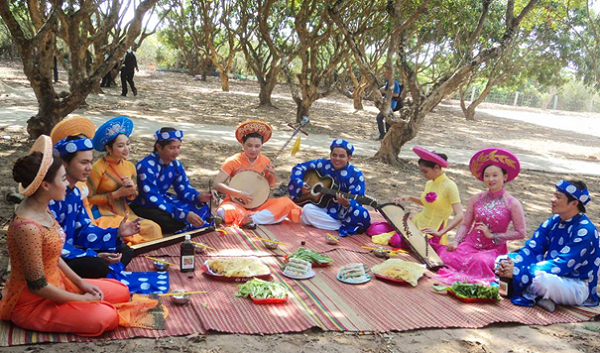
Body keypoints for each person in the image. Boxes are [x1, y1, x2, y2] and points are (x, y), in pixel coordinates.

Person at [0, 135, 130, 336]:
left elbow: (56, 257)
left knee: (121, 291)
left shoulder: (43, 208)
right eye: (62, 178)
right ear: (45, 185)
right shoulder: (27, 227)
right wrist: (82, 299)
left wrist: (81, 283)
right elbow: (37, 286)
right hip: (33, 303)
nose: (67, 183)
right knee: (107, 317)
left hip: (59, 282)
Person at [48, 116, 140, 279]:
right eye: (84, 162)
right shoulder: (51, 196)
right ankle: (107, 274)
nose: (89, 168)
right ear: (64, 163)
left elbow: (83, 229)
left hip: (75, 249)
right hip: (57, 259)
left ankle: (108, 272)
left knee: (125, 250)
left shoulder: (74, 193)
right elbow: (51, 247)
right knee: (96, 265)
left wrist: (117, 232)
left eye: (90, 162)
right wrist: (92, 255)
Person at [496, 180, 599, 312]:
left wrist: (519, 271)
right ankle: (538, 296)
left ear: (574, 203)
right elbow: (532, 249)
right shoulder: (553, 221)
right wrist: (513, 264)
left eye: (558, 197)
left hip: (575, 284)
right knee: (501, 261)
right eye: (553, 195)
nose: (552, 200)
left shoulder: (586, 231)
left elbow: (562, 264)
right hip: (550, 272)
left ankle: (533, 293)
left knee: (542, 281)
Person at [434, 148, 526, 285]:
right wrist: (456, 241)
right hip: (470, 244)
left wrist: (493, 236)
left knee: (480, 261)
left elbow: (521, 233)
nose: (490, 179)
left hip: (493, 249)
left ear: (505, 177)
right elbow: (466, 224)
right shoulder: (476, 198)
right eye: (487, 176)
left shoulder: (512, 203)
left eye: (495, 175)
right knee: (446, 255)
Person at [87, 116, 162, 244]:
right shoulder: (97, 168)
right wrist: (116, 194)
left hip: (124, 212)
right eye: (121, 146)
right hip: (102, 214)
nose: (126, 149)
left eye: (128, 144)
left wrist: (131, 190)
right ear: (109, 149)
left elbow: (134, 196)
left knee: (154, 228)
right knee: (125, 235)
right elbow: (88, 199)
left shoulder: (129, 166)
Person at [213, 120, 302, 227]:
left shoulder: (266, 161)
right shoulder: (233, 161)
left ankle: (250, 218)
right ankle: (253, 218)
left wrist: (271, 174)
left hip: (259, 204)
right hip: (235, 202)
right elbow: (217, 184)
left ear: (262, 146)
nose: (253, 149)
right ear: (243, 144)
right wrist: (239, 193)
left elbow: (271, 184)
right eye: (249, 145)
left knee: (286, 203)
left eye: (257, 146)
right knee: (223, 211)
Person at [130, 127, 212, 234]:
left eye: (178, 147)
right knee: (170, 221)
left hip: (163, 200)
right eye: (172, 148)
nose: (176, 151)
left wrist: (199, 196)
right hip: (145, 205)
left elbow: (183, 188)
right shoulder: (146, 166)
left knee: (200, 206)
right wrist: (182, 214)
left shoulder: (175, 164)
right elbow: (152, 198)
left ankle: (187, 222)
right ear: (159, 147)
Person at [288, 139, 371, 237]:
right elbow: (299, 168)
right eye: (334, 155)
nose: (337, 159)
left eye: (342, 156)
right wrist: (301, 184)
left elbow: (358, 198)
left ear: (349, 158)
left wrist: (346, 203)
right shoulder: (323, 164)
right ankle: (341, 226)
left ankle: (337, 225)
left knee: (361, 213)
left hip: (343, 212)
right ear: (330, 154)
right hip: (325, 207)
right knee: (307, 210)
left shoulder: (356, 174)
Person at [393, 146, 463, 246]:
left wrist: (441, 232)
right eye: (421, 171)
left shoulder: (450, 186)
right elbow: (428, 204)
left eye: (425, 171)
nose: (423, 174)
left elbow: (460, 214)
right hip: (420, 221)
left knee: (411, 244)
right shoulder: (429, 183)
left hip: (434, 228)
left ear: (436, 168)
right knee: (395, 239)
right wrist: (410, 197)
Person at [376, 70, 402, 140]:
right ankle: (386, 136)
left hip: (391, 104)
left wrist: (385, 92)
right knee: (386, 120)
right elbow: (385, 89)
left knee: (380, 118)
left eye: (386, 73)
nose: (384, 74)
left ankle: (383, 135)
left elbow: (396, 94)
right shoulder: (388, 82)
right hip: (386, 103)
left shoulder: (395, 83)